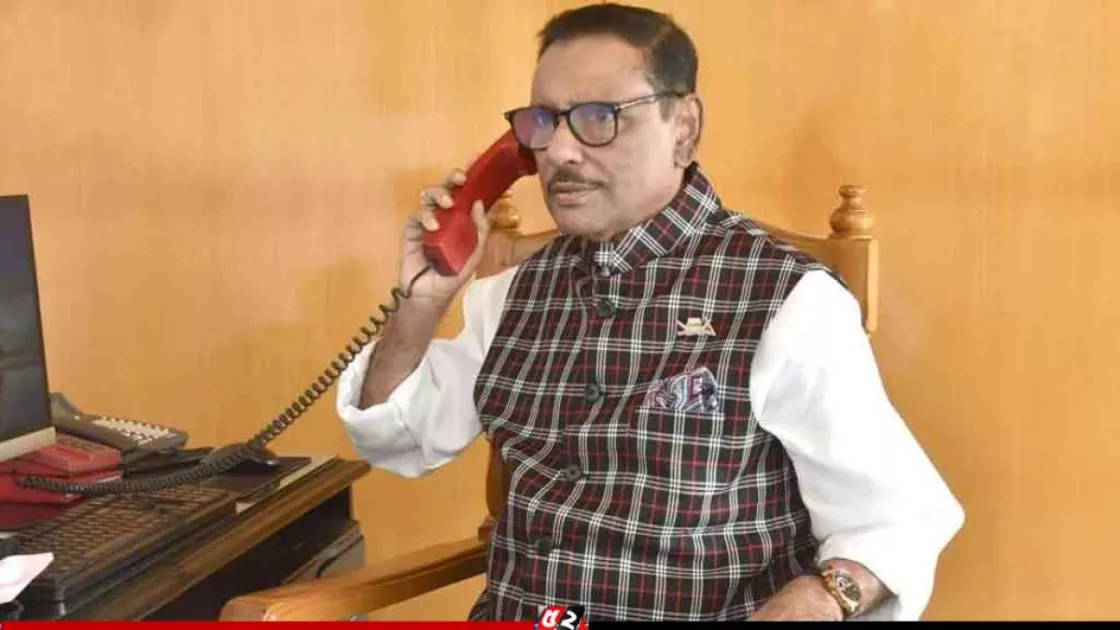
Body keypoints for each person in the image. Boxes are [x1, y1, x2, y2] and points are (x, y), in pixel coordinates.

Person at [336, 2, 964, 622]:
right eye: (543, 122)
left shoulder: (787, 300)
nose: (559, 152)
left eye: (598, 117)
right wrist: (420, 306)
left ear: (683, 127)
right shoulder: (511, 295)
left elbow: (894, 518)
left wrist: (820, 599)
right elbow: (401, 438)